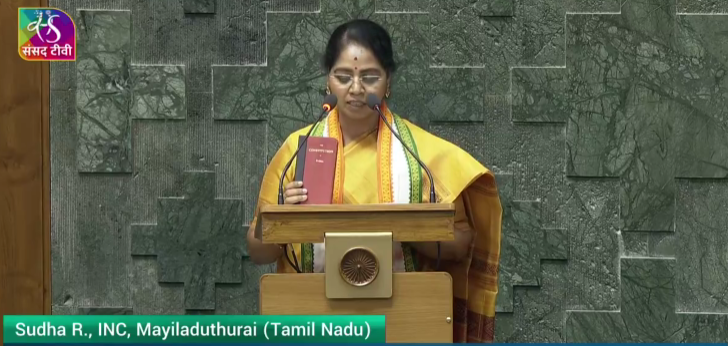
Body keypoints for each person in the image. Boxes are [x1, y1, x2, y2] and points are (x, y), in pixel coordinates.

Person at [246, 19, 503, 343]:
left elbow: (460, 246)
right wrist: (282, 216)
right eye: (343, 77)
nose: (355, 89)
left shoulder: (422, 154)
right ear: (328, 82)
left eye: (369, 77)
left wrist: (413, 226)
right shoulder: (297, 152)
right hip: (315, 324)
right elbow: (258, 252)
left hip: (402, 323)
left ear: (388, 83)